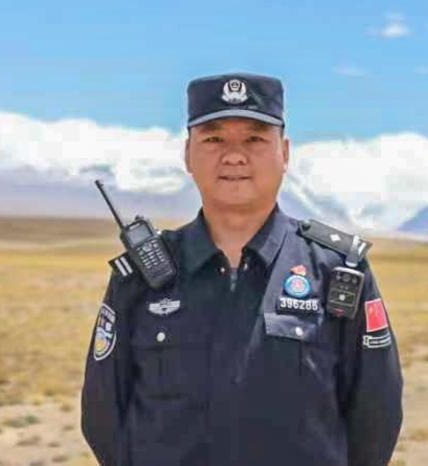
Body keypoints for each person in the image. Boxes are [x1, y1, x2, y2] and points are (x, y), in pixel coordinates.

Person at [81, 72, 403, 466]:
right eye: (213, 139)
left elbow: (376, 413)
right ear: (188, 154)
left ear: (285, 152)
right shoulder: (140, 279)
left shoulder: (337, 271)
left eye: (254, 139)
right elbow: (103, 414)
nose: (234, 156)